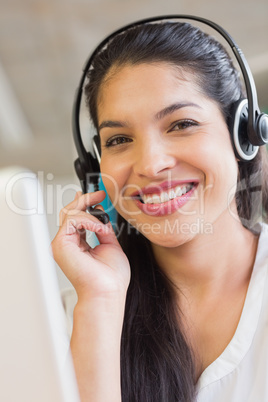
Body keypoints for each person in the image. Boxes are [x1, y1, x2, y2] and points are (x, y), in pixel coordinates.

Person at [52, 19, 268, 402]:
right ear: (93, 168)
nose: (150, 165)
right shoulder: (70, 317)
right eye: (119, 139)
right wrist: (101, 304)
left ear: (244, 134)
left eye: (181, 124)